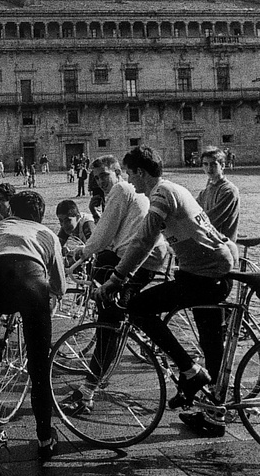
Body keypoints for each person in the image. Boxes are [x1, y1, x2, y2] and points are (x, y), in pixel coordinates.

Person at [97, 146, 238, 436]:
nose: (130, 181)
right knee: (211, 343)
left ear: (141, 172)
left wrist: (116, 279)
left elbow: (143, 240)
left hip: (205, 274)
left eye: (130, 174)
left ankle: (189, 371)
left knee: (139, 308)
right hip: (210, 270)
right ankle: (214, 415)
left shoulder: (161, 195)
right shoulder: (174, 188)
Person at [63, 155, 168, 415]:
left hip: (139, 259)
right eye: (96, 177)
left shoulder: (121, 189)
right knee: (112, 318)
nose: (100, 181)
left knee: (109, 321)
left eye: (104, 176)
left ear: (118, 173)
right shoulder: (123, 191)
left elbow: (104, 233)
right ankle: (101, 372)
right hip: (137, 256)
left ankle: (88, 390)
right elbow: (112, 230)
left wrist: (82, 252)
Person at [0, 190, 66, 462]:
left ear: (11, 212)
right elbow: (59, 286)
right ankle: (44, 436)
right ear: (40, 215)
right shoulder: (47, 234)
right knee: (39, 367)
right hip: (32, 286)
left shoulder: (0, 226)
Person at [196, 148, 239, 240]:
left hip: (222, 244)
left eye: (213, 164)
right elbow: (193, 210)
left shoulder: (229, 191)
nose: (209, 168)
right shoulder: (205, 191)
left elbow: (210, 219)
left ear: (222, 166)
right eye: (205, 164)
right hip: (208, 241)